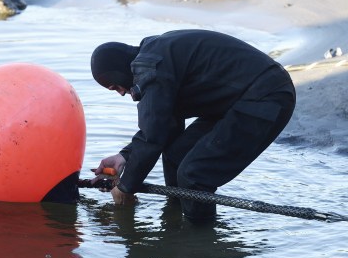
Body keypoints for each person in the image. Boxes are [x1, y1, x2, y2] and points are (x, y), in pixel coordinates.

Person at [89, 29, 296, 222]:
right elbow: (162, 124)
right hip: (238, 99)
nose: (122, 93)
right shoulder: (154, 58)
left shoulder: (149, 68)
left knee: (194, 175)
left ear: (119, 70)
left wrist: (125, 187)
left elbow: (152, 136)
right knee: (176, 155)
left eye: (116, 86)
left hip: (267, 96)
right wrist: (125, 156)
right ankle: (176, 221)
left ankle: (199, 241)